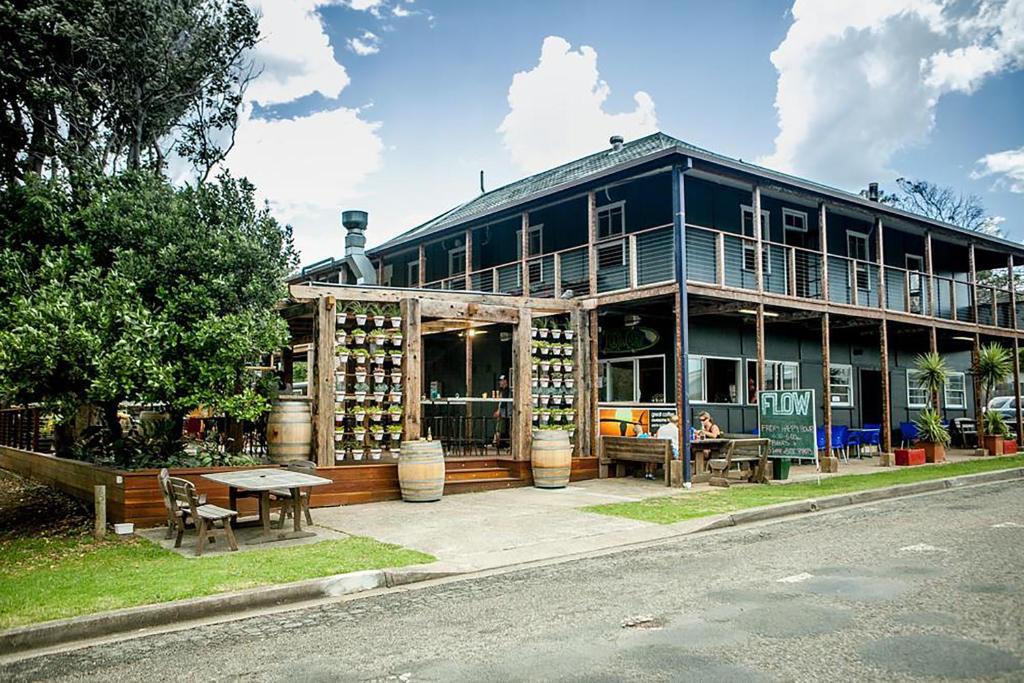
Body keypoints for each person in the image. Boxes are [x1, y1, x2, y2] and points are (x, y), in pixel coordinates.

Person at [492, 375, 511, 451]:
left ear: (505, 381)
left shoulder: (507, 391)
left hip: (506, 414)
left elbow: (504, 402)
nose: (500, 382)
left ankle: (497, 442)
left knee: (500, 428)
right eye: (499, 381)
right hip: (504, 413)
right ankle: (497, 442)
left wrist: (499, 411)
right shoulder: (502, 391)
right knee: (499, 428)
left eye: (501, 380)